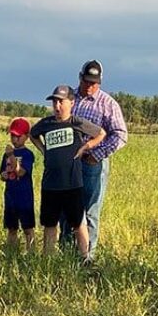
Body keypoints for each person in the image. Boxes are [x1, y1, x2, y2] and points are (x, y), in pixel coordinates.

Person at [31, 85, 106, 260]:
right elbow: (32, 134)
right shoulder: (46, 124)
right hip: (50, 185)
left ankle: (86, 258)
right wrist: (44, 150)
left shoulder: (76, 123)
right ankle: (48, 260)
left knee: (79, 223)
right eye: (54, 102)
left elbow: (101, 133)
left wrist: (85, 147)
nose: (57, 106)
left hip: (73, 184)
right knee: (50, 225)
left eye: (61, 102)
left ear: (71, 103)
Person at [67, 60, 128, 256]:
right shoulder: (69, 99)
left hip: (91, 163)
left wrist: (96, 155)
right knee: (66, 209)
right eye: (86, 81)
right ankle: (65, 253)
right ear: (80, 77)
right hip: (69, 163)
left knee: (90, 211)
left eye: (94, 82)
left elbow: (120, 135)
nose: (90, 86)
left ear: (100, 81)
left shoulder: (107, 104)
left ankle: (86, 257)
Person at [0, 117, 36, 252]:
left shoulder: (28, 154)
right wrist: (3, 175)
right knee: (11, 228)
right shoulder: (6, 155)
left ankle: (31, 252)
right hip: (10, 196)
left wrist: (11, 155)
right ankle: (11, 252)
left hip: (24, 197)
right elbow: (4, 172)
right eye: (12, 135)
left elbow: (20, 172)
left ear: (26, 136)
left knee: (27, 228)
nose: (14, 139)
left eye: (17, 136)